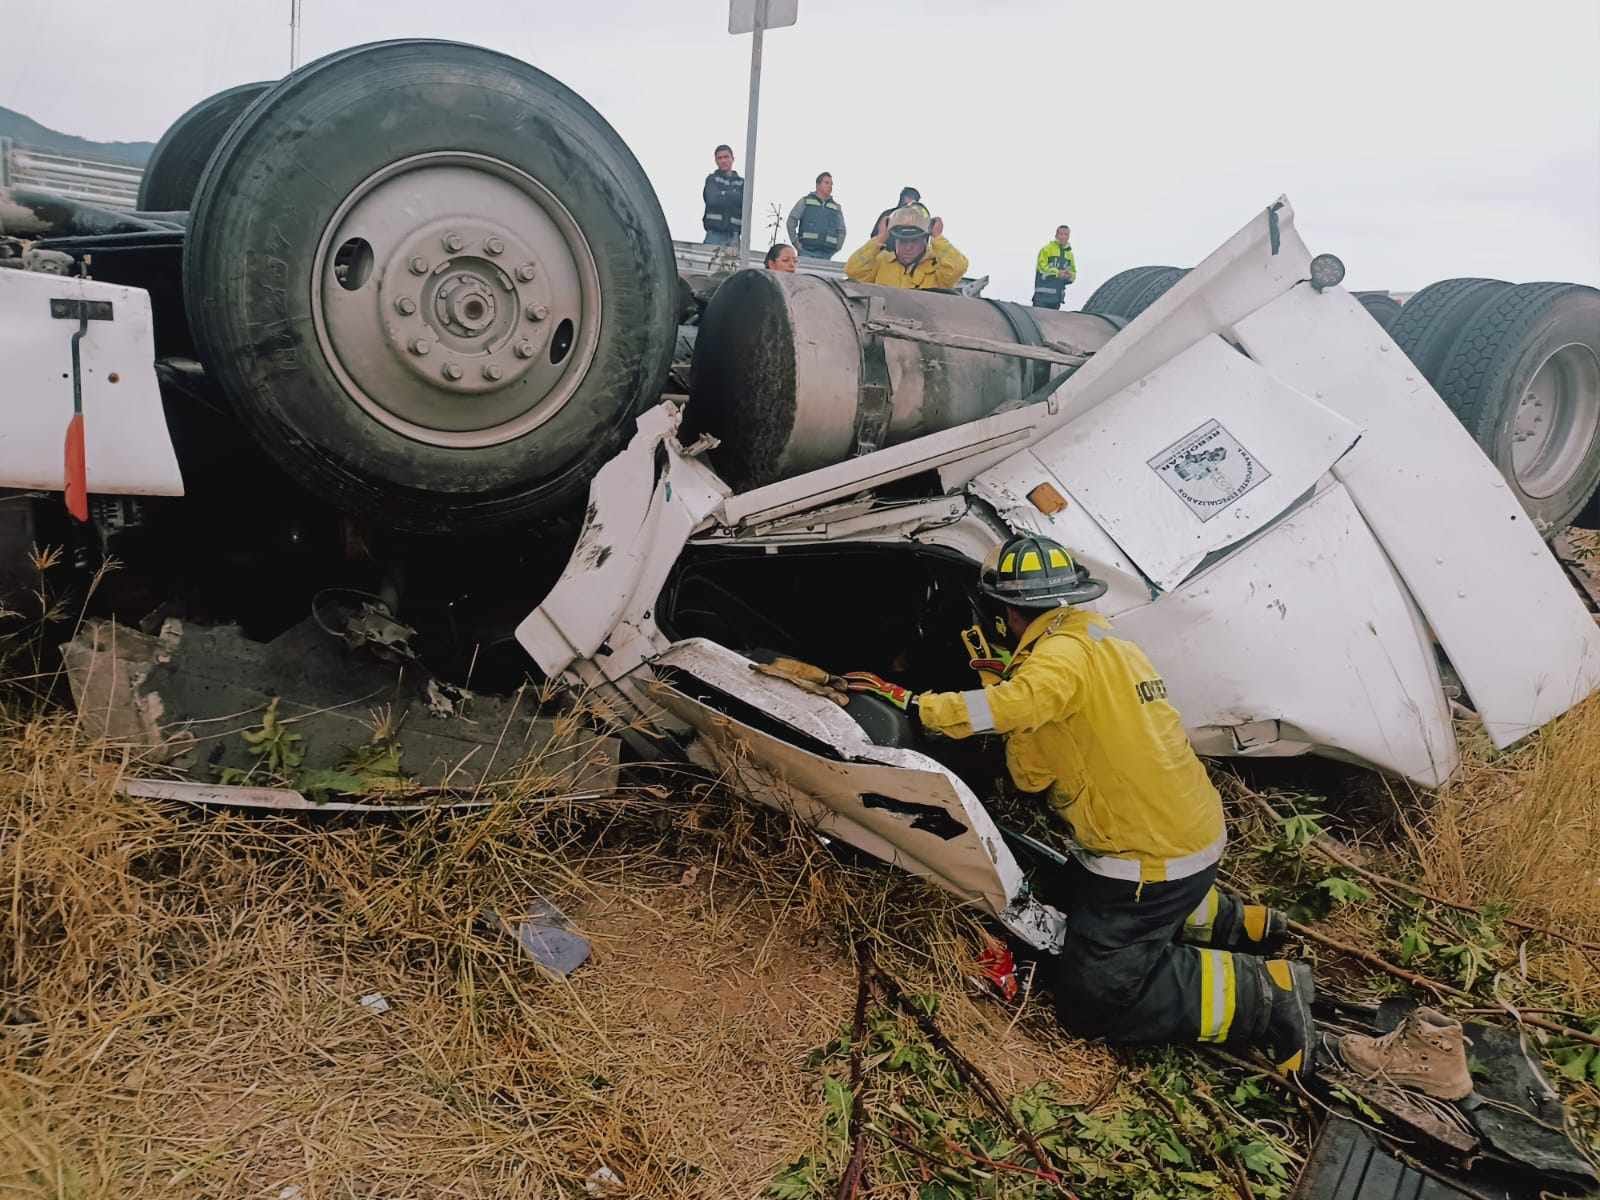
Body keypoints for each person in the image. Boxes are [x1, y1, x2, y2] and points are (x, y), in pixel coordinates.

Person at [842, 532, 1316, 1077]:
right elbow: (1037, 764)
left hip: (1147, 860)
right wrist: (1009, 681)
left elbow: (1020, 704)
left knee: (1094, 997)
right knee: (1071, 890)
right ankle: (1234, 922)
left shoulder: (1056, 661)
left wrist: (914, 704)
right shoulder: (1099, 640)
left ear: (1007, 612)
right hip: (1184, 832)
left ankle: (1265, 995)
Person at [844, 205, 969, 290]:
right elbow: (853, 271)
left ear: (925, 240)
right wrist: (881, 238)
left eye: (914, 241)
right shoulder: (882, 261)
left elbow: (957, 268)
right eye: (903, 241)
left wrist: (937, 237)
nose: (908, 247)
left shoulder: (937, 267)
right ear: (895, 240)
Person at [786, 172, 848, 260]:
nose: (830, 186)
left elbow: (842, 230)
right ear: (818, 185)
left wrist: (837, 247)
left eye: (831, 184)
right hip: (806, 252)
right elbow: (791, 221)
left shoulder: (836, 207)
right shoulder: (805, 201)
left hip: (827, 254)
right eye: (826, 183)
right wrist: (796, 243)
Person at [702, 144, 744, 247]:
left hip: (734, 235)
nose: (723, 160)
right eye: (720, 158)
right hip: (714, 234)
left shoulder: (742, 182)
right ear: (716, 161)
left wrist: (723, 194)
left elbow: (743, 202)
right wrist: (733, 195)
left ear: (732, 159)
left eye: (726, 157)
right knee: (709, 262)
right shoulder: (712, 179)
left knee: (733, 263)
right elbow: (712, 200)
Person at [1032, 225, 1077, 310]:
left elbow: (1074, 273)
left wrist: (1069, 276)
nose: (1063, 237)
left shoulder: (1070, 254)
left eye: (1066, 234)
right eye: (1061, 234)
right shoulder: (1046, 249)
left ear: (1069, 236)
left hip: (1057, 299)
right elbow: (1042, 268)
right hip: (1042, 297)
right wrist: (1057, 273)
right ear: (1056, 235)